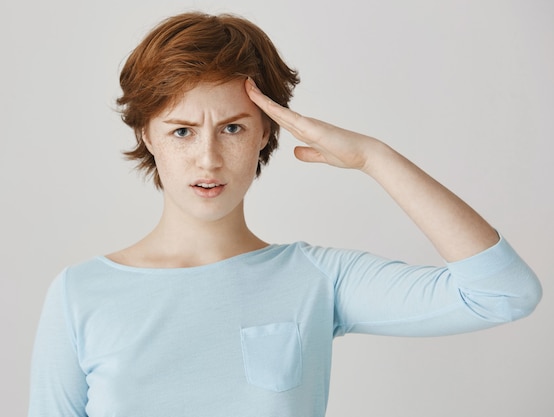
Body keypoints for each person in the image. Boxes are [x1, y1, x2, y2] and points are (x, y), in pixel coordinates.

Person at [28, 12, 542, 417]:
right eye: (182, 130)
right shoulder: (81, 294)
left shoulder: (317, 280)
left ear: (266, 134)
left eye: (232, 128)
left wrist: (373, 157)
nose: (208, 158)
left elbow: (504, 294)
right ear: (147, 135)